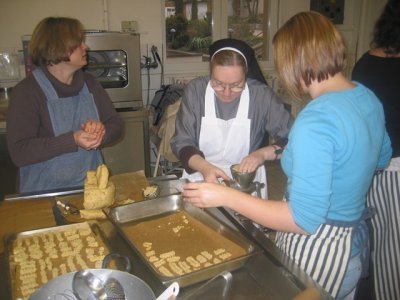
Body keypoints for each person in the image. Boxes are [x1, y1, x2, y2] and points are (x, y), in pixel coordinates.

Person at [182, 11, 392, 299]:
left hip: (318, 253)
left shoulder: (315, 121)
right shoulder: (367, 97)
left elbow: (301, 220)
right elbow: (380, 159)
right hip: (353, 248)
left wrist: (225, 196)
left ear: (294, 62)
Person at [6, 17, 123, 193]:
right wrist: (73, 139)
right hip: (44, 194)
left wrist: (101, 132)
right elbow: (20, 152)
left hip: (90, 190)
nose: (86, 47)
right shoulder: (27, 92)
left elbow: (116, 124)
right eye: (79, 43)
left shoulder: (90, 84)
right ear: (57, 47)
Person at [170, 38, 292, 199]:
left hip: (247, 184)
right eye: (218, 83)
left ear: (246, 75)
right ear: (210, 73)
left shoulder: (261, 96)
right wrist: (206, 168)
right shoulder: (196, 91)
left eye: (236, 85)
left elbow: (294, 140)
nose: (227, 93)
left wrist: (262, 154)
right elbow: (181, 141)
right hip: (201, 176)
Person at [352, 1, 400, 299]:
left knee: (382, 245)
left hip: (374, 169)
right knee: (391, 251)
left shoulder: (365, 64)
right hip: (392, 170)